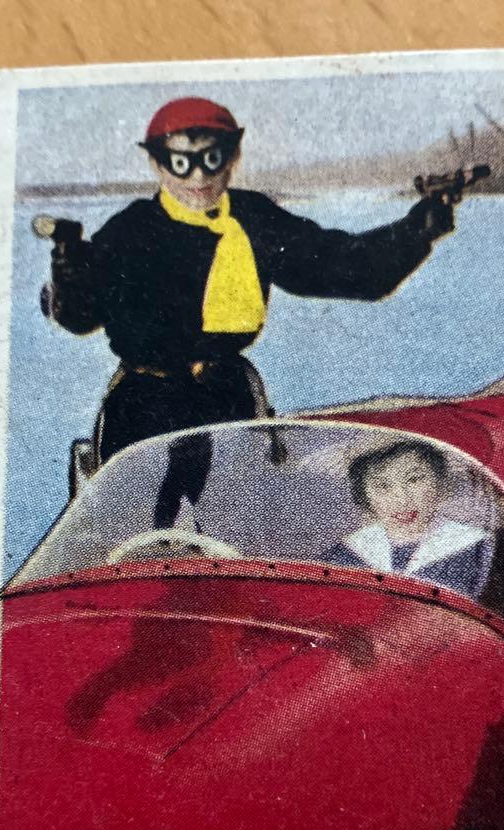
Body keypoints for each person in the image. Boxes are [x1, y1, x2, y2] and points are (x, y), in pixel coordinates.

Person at [41, 96, 457, 527]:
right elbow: (81, 318)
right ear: (157, 164)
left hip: (226, 398)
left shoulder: (254, 221)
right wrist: (71, 282)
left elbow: (348, 267)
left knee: (238, 525)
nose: (199, 177)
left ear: (233, 156)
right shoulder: (131, 231)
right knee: (130, 529)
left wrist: (419, 229)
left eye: (212, 159)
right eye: (181, 163)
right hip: (143, 406)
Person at [323, 439, 493, 600]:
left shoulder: (477, 546)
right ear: (364, 495)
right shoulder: (347, 553)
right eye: (383, 486)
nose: (402, 500)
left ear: (440, 483)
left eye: (413, 479)